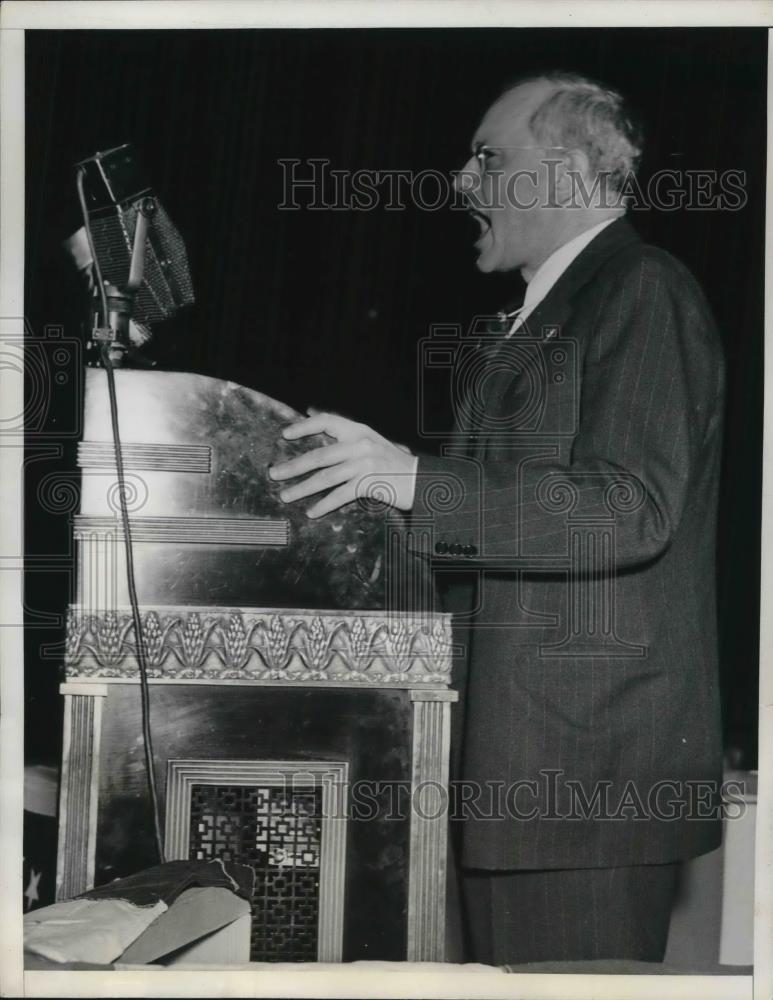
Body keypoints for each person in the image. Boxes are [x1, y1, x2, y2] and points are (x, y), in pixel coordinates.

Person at [269, 72, 725, 964]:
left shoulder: (642, 288)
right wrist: (378, 494)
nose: (458, 182)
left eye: (487, 158)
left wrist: (413, 479)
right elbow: (495, 534)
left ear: (561, 173)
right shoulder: (535, 319)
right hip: (514, 778)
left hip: (577, 789)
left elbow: (629, 508)